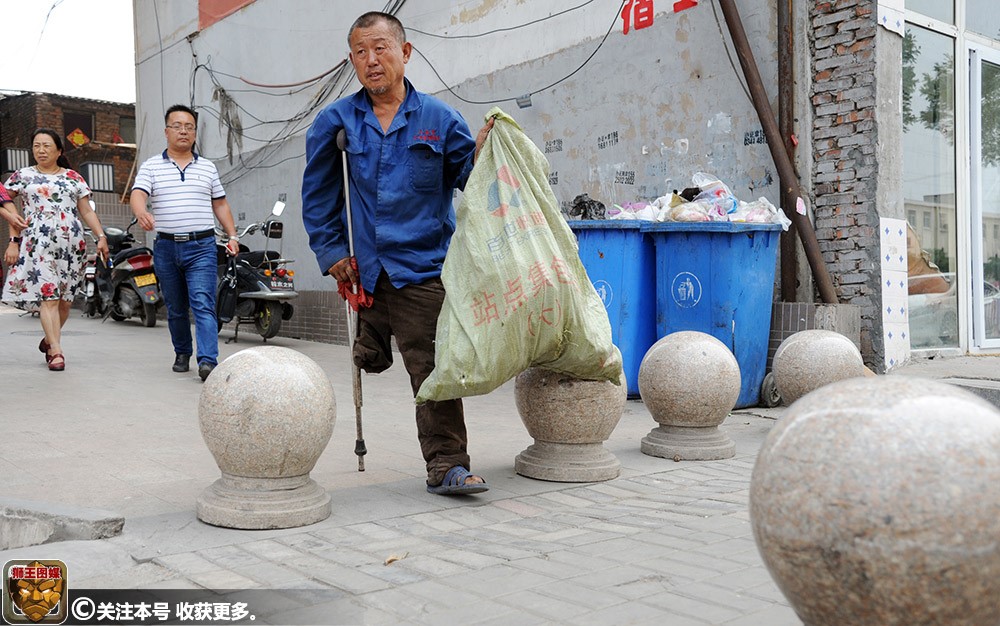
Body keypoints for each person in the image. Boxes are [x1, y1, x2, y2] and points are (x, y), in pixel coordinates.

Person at [302, 11, 494, 496]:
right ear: (352, 60)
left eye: (381, 48)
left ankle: (447, 465)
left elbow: (470, 183)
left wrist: (485, 156)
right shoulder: (336, 121)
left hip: (422, 268)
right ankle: (373, 340)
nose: (371, 60)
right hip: (364, 268)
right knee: (371, 359)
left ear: (404, 52)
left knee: (430, 368)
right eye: (360, 52)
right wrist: (331, 252)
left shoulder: (440, 119)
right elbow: (319, 195)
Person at [130, 104, 239, 382]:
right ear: (166, 131)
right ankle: (182, 352)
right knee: (176, 307)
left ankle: (207, 360)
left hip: (201, 247)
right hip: (166, 248)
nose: (183, 131)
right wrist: (141, 212)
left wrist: (232, 235)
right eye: (177, 126)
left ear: (194, 133)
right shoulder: (151, 166)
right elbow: (138, 194)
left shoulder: (207, 167)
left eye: (189, 127)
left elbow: (220, 204)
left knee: (202, 302)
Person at [2, 129, 110, 371]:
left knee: (65, 302)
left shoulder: (73, 177)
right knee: (49, 297)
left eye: (47, 145)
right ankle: (56, 351)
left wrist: (101, 236)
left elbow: (86, 211)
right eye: (36, 145)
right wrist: (13, 240)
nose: (41, 150)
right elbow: (4, 202)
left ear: (59, 150)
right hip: (37, 243)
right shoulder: (23, 176)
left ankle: (50, 339)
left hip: (72, 246)